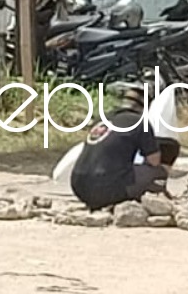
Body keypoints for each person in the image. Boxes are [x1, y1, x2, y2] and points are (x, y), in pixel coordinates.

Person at [69, 83, 169, 211]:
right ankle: (132, 202)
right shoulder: (140, 122)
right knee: (158, 173)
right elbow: (154, 161)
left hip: (79, 187)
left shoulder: (101, 119)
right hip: (106, 189)